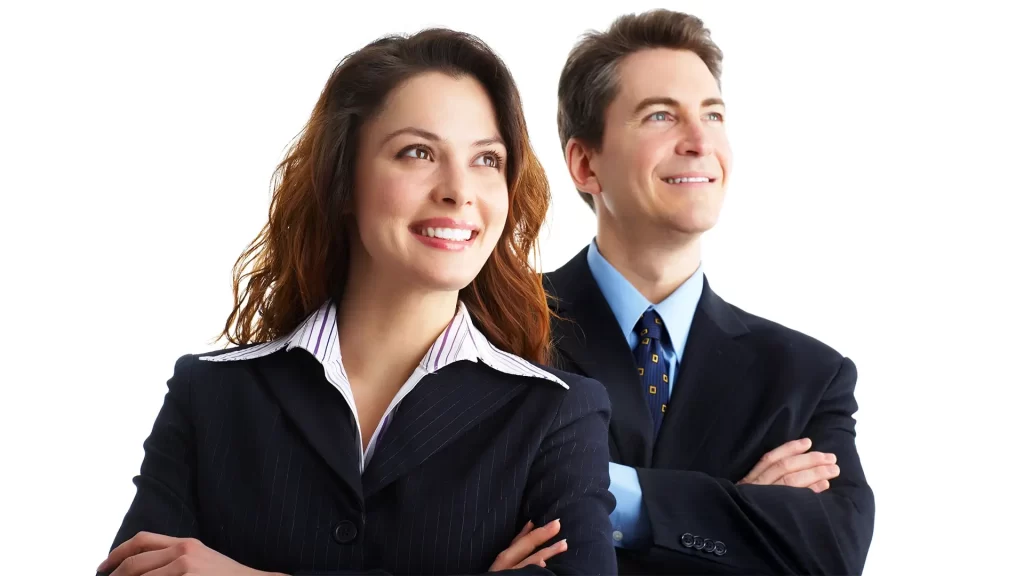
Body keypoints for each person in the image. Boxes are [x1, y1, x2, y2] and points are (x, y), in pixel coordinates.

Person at [98, 28, 617, 576]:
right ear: (344, 180)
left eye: (486, 159)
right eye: (418, 153)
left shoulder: (556, 414)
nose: (459, 190)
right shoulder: (210, 395)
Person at [543, 10, 875, 575]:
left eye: (713, 114)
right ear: (584, 163)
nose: (700, 141)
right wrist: (742, 511)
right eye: (660, 116)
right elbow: (461, 528)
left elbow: (831, 553)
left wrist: (618, 500)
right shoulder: (496, 330)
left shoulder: (807, 375)